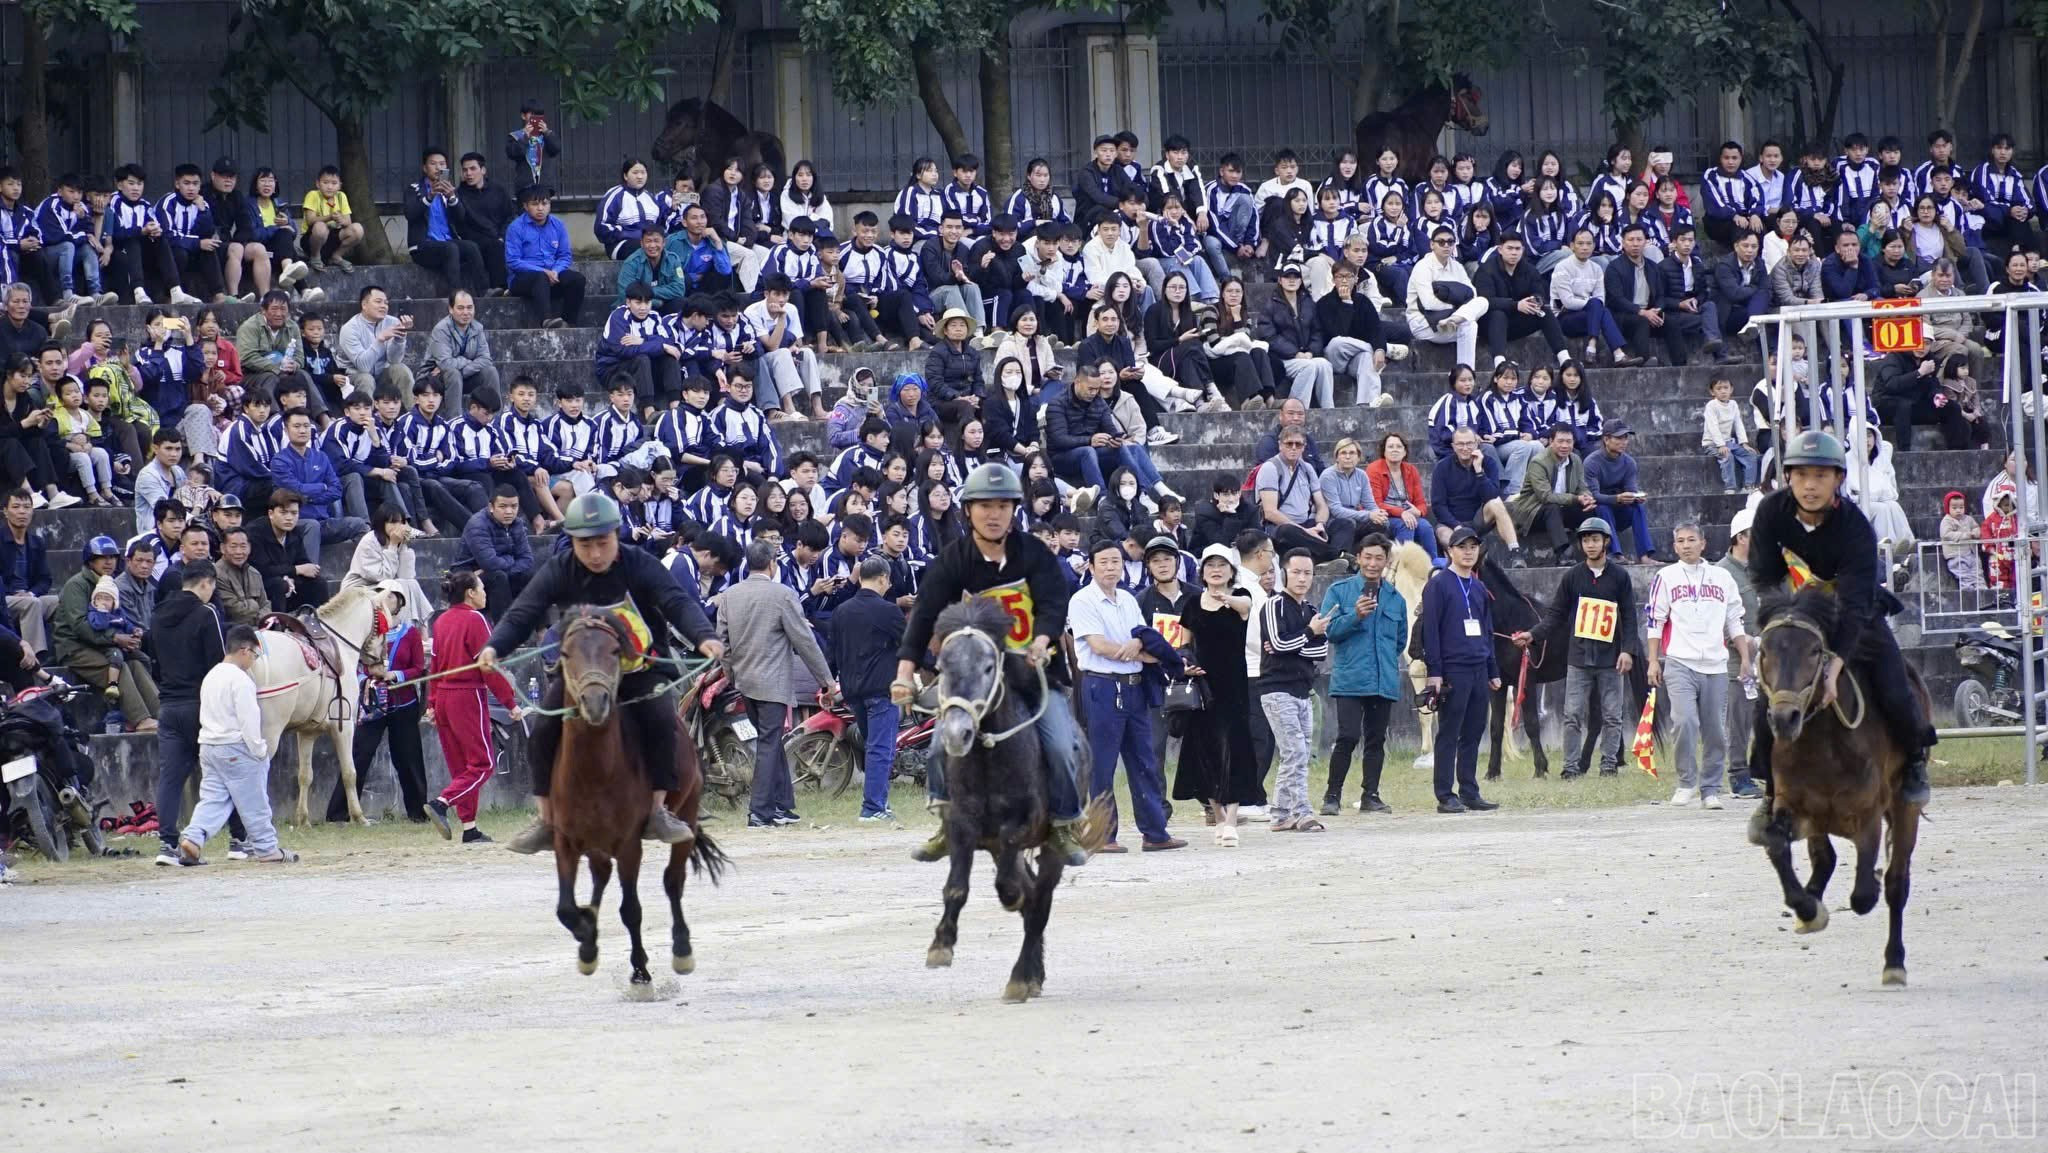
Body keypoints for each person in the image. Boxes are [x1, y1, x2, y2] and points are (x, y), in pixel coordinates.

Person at [485, 493, 723, 852]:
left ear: (616, 535)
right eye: (585, 544)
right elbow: (524, 611)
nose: (595, 554)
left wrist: (704, 636)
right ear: (572, 542)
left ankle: (657, 810)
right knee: (545, 729)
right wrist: (494, 647)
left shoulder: (640, 563)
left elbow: (675, 601)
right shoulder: (559, 568)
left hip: (640, 664)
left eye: (602, 543)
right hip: (581, 670)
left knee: (661, 720)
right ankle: (546, 819)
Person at [892, 464, 1093, 865]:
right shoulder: (954, 559)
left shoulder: (1033, 553)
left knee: (1061, 745)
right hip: (973, 679)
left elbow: (1053, 603)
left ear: (1014, 510)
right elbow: (924, 616)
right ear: (968, 510)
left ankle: (1064, 823)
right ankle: (946, 821)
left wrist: (1042, 637)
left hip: (1032, 674)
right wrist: (903, 675)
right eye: (985, 505)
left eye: (1003, 505)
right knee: (936, 747)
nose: (994, 513)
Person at [1747, 431, 1934, 836]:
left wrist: (1834, 667)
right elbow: (1763, 579)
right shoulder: (1769, 513)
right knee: (1769, 700)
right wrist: (1783, 623)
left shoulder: (1854, 527)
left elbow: (1853, 605)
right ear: (1787, 477)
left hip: (1856, 616)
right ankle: (1768, 790)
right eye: (1801, 476)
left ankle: (1915, 762)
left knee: (1894, 685)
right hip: (1797, 617)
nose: (1810, 485)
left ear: (1838, 479)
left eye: (1821, 475)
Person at [1070, 539, 1185, 851]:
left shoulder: (1128, 599)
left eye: (1115, 562)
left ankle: (1155, 833)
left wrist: (1137, 649)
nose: (1110, 567)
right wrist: (1135, 650)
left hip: (1134, 686)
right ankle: (1103, 836)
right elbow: (1098, 646)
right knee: (1103, 764)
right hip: (1102, 686)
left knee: (1144, 760)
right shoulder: (1083, 600)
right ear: (1091, 567)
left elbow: (1142, 637)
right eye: (1104, 562)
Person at [720, 539, 838, 828]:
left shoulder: (729, 595)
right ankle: (759, 810)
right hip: (772, 682)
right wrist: (826, 680)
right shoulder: (783, 594)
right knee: (770, 742)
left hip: (745, 681)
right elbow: (804, 640)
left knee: (770, 740)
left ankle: (782, 806)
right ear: (772, 564)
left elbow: (723, 646)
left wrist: (732, 675)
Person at [1646, 522, 1750, 810]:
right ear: (1674, 545)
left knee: (1716, 729)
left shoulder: (1722, 577)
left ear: (1703, 543)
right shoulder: (1665, 577)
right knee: (1685, 722)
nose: (1686, 545)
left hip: (1715, 664)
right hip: (1679, 661)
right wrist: (1653, 661)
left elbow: (1734, 621)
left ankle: (1711, 788)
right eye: (1680, 541)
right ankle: (1686, 782)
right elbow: (1655, 621)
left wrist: (1745, 658)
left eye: (1692, 539)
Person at [175, 624, 295, 863]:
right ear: (244, 650)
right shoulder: (241, 681)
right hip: (236, 746)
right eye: (255, 655)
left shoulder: (211, 676)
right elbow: (249, 720)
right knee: (255, 800)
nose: (254, 660)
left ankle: (193, 838)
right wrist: (259, 750)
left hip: (209, 746)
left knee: (213, 798)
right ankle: (267, 848)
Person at [422, 570, 521, 843]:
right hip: (467, 696)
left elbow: (436, 666)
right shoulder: (475, 619)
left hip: (443, 696)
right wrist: (510, 702)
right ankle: (442, 802)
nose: (486, 593)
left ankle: (470, 828)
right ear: (470, 593)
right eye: (482, 589)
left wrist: (432, 703)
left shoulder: (441, 621)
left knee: (461, 766)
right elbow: (487, 667)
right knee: (483, 763)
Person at [1175, 544, 1260, 844]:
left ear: (1231, 571)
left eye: (1222, 565)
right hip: (1203, 685)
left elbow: (1244, 609)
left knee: (1234, 747)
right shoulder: (1191, 603)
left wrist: (1226, 598)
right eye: (1210, 565)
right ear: (1202, 571)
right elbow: (1184, 645)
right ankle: (1218, 816)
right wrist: (1185, 666)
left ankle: (1233, 818)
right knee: (1206, 749)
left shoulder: (1241, 597)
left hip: (1234, 685)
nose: (1216, 570)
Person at [1319, 533, 1405, 815]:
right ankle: (1332, 796)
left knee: (1377, 739)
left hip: (1383, 679)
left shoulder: (1395, 598)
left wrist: (1384, 662)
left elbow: (1400, 641)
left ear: (1387, 560)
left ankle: (1371, 795)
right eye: (1367, 557)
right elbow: (1329, 631)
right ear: (1358, 558)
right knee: (1348, 736)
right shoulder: (1340, 591)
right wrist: (1355, 615)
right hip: (1350, 679)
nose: (1372, 563)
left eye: (1379, 558)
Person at [1545, 518, 1638, 778]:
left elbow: (1630, 616)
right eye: (1586, 540)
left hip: (1611, 658)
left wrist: (1628, 650)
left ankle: (1609, 765)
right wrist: (1532, 635)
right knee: (1572, 715)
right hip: (1579, 658)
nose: (1591, 545)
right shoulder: (1572, 576)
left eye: (1595, 539)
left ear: (1606, 542)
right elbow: (1555, 614)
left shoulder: (1620, 576)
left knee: (1612, 715)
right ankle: (1570, 767)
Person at [1419, 526, 1503, 812]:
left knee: (1473, 730)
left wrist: (1493, 670)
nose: (1468, 552)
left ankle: (1469, 789)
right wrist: (1435, 671)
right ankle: (1445, 793)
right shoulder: (1438, 585)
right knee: (1449, 731)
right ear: (1449, 551)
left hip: (1478, 666)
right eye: (1462, 546)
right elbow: (1430, 631)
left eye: (1473, 546)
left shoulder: (1479, 587)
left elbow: (1488, 631)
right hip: (1453, 668)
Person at [330, 580, 427, 824]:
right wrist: (366, 679)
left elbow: (418, 667)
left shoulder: (410, 633)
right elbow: (355, 663)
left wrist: (396, 675)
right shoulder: (366, 634)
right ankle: (338, 813)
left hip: (402, 703)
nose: (386, 601)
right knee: (358, 755)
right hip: (371, 703)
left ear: (401, 603)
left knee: (409, 758)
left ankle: (418, 812)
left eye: (392, 597)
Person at [831, 556, 906, 822]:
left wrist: (830, 684)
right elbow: (909, 646)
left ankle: (876, 804)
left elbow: (834, 652)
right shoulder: (889, 611)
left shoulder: (841, 611)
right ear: (884, 578)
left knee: (873, 746)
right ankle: (874, 807)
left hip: (853, 691)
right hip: (881, 689)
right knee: (880, 749)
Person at [1718, 507, 1764, 798]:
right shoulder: (1721, 573)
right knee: (1739, 717)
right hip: (1736, 656)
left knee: (1767, 716)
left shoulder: (1766, 568)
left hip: (1770, 655)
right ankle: (1738, 774)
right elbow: (1719, 620)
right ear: (1740, 537)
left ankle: (1765, 770)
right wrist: (1748, 642)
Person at [1430, 426, 1526, 564]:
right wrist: (1456, 526)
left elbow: (1492, 495)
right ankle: (1456, 565)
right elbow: (1438, 506)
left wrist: (1479, 471)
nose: (1465, 448)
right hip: (1451, 523)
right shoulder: (1442, 468)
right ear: (1453, 446)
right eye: (1460, 444)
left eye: (1469, 443)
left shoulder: (1488, 463)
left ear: (1476, 444)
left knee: (1496, 503)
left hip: (1478, 519)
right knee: (1443, 533)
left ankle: (1515, 551)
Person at [1475, 234, 1570, 368]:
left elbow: (1540, 293)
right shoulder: (1486, 270)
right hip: (1489, 326)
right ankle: (1500, 363)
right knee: (1498, 314)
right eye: (1510, 248)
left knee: (1544, 311)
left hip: (1515, 324)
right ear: (1500, 249)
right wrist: (1516, 305)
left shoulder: (1529, 269)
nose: (1514, 252)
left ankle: (1565, 358)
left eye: (1518, 249)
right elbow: (1484, 301)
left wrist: (1535, 301)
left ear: (1523, 250)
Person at [1254, 425, 1345, 563]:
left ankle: (1327, 560)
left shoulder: (1307, 468)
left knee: (1344, 524)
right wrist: (1305, 531)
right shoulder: (1270, 468)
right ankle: (1336, 556)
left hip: (1307, 523)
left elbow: (1321, 505)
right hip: (1281, 527)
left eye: (1298, 444)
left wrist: (1320, 524)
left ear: (1304, 447)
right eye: (1289, 443)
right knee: (1288, 532)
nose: (1294, 447)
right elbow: (1270, 512)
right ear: (1280, 445)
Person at [405, 148, 487, 299]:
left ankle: (483, 291)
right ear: (425, 168)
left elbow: (460, 217)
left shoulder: (449, 189)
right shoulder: (414, 189)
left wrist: (451, 197)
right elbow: (410, 214)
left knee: (471, 247)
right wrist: (429, 197)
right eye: (433, 164)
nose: (438, 168)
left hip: (447, 242)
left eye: (442, 164)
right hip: (422, 246)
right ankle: (456, 296)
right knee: (451, 248)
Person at [1510, 424, 1596, 565]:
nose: (1564, 445)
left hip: (1562, 509)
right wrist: (1576, 498)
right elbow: (1545, 497)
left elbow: (1582, 486)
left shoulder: (1575, 460)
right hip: (1533, 511)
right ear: (1551, 441)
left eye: (1568, 441)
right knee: (1552, 507)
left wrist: (1586, 497)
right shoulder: (1539, 462)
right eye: (1560, 441)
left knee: (1590, 509)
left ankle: (1596, 553)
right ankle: (1563, 554)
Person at [505, 185, 585, 329]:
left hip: (552, 277)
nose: (540, 208)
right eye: (535, 204)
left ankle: (568, 322)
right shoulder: (516, 227)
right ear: (525, 206)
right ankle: (546, 320)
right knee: (540, 277)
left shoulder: (558, 225)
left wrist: (555, 271)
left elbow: (565, 255)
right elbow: (513, 261)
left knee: (577, 279)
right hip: (523, 280)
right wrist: (543, 272)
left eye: (545, 203)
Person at [1406, 226, 1488, 368]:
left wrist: (1455, 315)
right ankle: (1466, 373)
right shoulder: (1423, 267)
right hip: (1424, 323)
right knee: (1470, 324)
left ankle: (1464, 373)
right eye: (1441, 242)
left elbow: (1472, 293)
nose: (1446, 246)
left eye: (1450, 242)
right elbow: (1429, 303)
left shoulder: (1457, 267)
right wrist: (1457, 308)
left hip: (1451, 321)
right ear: (1432, 244)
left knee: (1483, 301)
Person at [451, 485, 533, 619]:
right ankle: (503, 633)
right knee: (498, 577)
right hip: (467, 575)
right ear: (491, 507)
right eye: (503, 506)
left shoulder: (517, 523)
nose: (509, 511)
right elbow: (490, 563)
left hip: (495, 571)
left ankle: (541, 631)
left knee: (529, 576)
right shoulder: (478, 524)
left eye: (514, 506)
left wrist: (508, 563)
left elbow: (527, 559)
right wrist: (511, 560)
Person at [1584, 424, 1657, 564]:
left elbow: (1631, 488)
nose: (1624, 442)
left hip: (1619, 510)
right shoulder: (1591, 462)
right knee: (1602, 507)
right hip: (1596, 512)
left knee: (1638, 507)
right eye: (1618, 438)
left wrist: (1636, 497)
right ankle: (1615, 554)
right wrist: (1616, 498)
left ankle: (1644, 555)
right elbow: (1594, 495)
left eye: (1625, 438)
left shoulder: (1629, 463)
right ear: (1606, 439)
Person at [0, 488, 57, 658]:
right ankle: (34, 658)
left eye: (26, 507)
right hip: (5, 599)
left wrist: (31, 593)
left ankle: (64, 653)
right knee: (32, 604)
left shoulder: (36, 542)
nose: (22, 512)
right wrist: (16, 595)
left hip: (28, 597)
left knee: (58, 602)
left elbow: (45, 579)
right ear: (5, 511)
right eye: (16, 507)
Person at [425, 289, 499, 413]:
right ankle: (455, 422)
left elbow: (486, 359)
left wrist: (464, 368)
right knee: (453, 373)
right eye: (460, 308)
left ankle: (495, 419)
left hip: (464, 376)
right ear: (451, 309)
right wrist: (470, 362)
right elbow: (445, 363)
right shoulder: (441, 329)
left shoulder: (477, 328)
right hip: (435, 377)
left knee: (490, 371)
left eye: (469, 308)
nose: (466, 312)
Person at [338, 286, 417, 399]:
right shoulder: (350, 329)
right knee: (366, 378)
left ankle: (413, 412)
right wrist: (380, 340)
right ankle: (366, 415)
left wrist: (400, 338)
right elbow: (363, 366)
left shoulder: (392, 322)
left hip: (381, 374)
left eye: (386, 303)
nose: (383, 306)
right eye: (378, 302)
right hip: (354, 375)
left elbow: (394, 360)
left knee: (401, 369)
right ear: (364, 305)